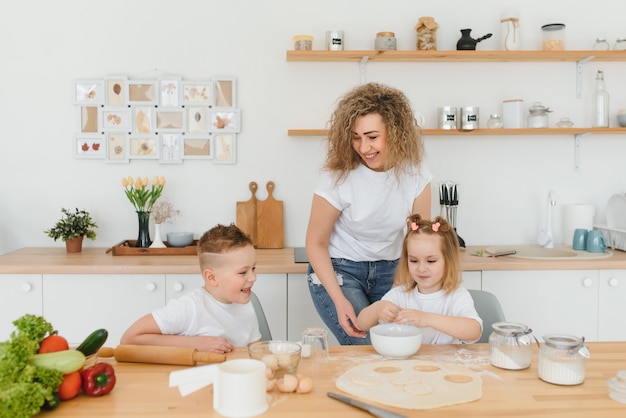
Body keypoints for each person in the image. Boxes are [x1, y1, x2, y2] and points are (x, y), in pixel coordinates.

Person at [305, 82, 433, 345]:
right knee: (365, 346)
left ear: (395, 133)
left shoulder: (416, 176)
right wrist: (338, 301)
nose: (364, 148)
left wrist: (400, 288)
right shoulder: (337, 177)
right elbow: (315, 243)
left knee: (396, 345)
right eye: (356, 137)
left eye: (372, 137)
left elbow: (417, 241)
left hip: (393, 271)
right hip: (341, 271)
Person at [120, 223, 261, 353]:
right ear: (212, 278)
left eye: (253, 268)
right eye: (243, 272)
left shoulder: (244, 303)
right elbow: (129, 338)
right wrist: (195, 343)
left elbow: (257, 349)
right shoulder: (190, 307)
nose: (253, 277)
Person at [357, 215, 482, 344]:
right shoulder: (400, 295)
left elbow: (474, 331)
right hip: (409, 363)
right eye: (414, 261)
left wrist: (427, 319)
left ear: (448, 261)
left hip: (447, 363)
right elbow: (361, 324)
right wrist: (377, 309)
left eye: (431, 261)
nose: (421, 269)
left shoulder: (456, 296)